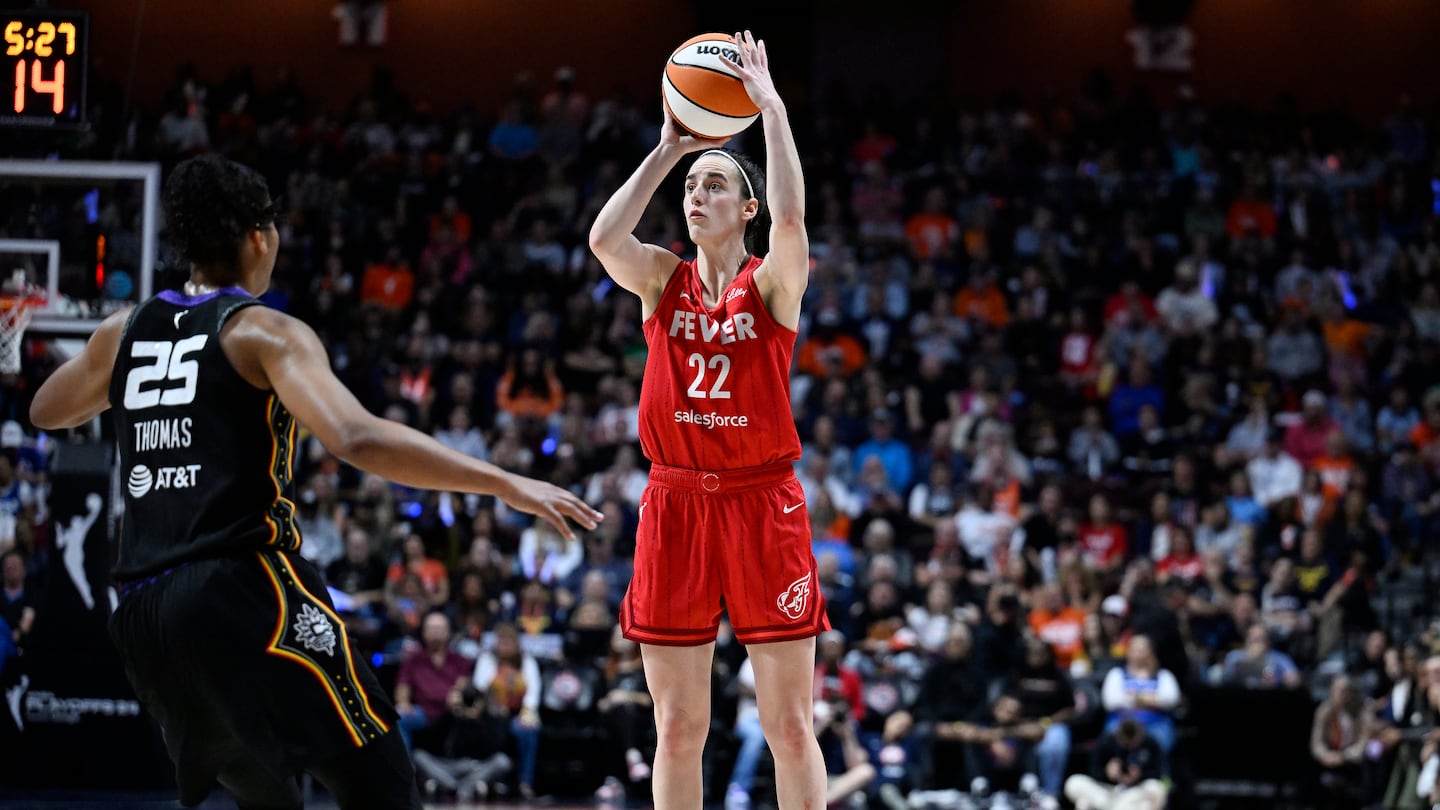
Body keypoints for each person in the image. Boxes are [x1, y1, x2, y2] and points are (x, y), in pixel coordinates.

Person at [28, 153, 603, 810]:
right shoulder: (263, 332)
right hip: (240, 588)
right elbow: (355, 437)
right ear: (258, 237)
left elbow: (46, 409)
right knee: (379, 778)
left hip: (144, 612)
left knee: (268, 800)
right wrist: (503, 481)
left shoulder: (122, 332)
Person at [587, 32, 828, 810]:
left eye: (714, 182)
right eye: (691, 186)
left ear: (746, 207)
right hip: (677, 502)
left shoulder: (771, 287)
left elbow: (793, 225)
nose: (697, 194)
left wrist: (773, 113)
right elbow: (602, 240)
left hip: (764, 503)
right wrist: (668, 149)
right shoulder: (661, 278)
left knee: (789, 725)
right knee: (678, 726)